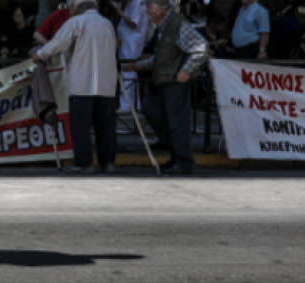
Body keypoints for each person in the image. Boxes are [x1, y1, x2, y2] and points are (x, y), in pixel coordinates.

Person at [123, 0, 208, 175]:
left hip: (175, 83)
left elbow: (200, 47)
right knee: (170, 123)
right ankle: (176, 159)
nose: (146, 12)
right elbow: (160, 57)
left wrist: (187, 69)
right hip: (166, 81)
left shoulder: (176, 23)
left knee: (177, 124)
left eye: (148, 8)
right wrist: (138, 66)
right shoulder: (164, 25)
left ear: (157, 9)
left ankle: (183, 162)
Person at [33, 0, 117, 173]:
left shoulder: (75, 22)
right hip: (106, 84)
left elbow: (57, 44)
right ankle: (107, 162)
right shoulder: (107, 24)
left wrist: (39, 54)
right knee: (105, 126)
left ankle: (83, 163)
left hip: (83, 84)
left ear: (76, 8)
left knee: (81, 126)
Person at [111, 0, 145, 112]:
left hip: (132, 42)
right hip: (127, 41)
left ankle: (127, 104)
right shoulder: (132, 3)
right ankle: (133, 104)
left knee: (128, 70)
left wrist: (119, 12)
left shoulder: (138, 3)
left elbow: (134, 23)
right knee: (128, 70)